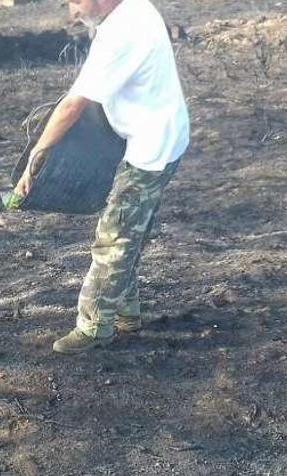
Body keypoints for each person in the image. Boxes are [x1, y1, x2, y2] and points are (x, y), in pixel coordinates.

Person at [14, 0, 189, 354]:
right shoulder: (136, 9)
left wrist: (39, 151)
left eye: (75, 1)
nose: (71, 11)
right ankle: (126, 312)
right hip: (162, 133)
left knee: (114, 236)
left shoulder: (123, 33)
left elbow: (73, 104)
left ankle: (95, 327)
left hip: (150, 148)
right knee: (130, 229)